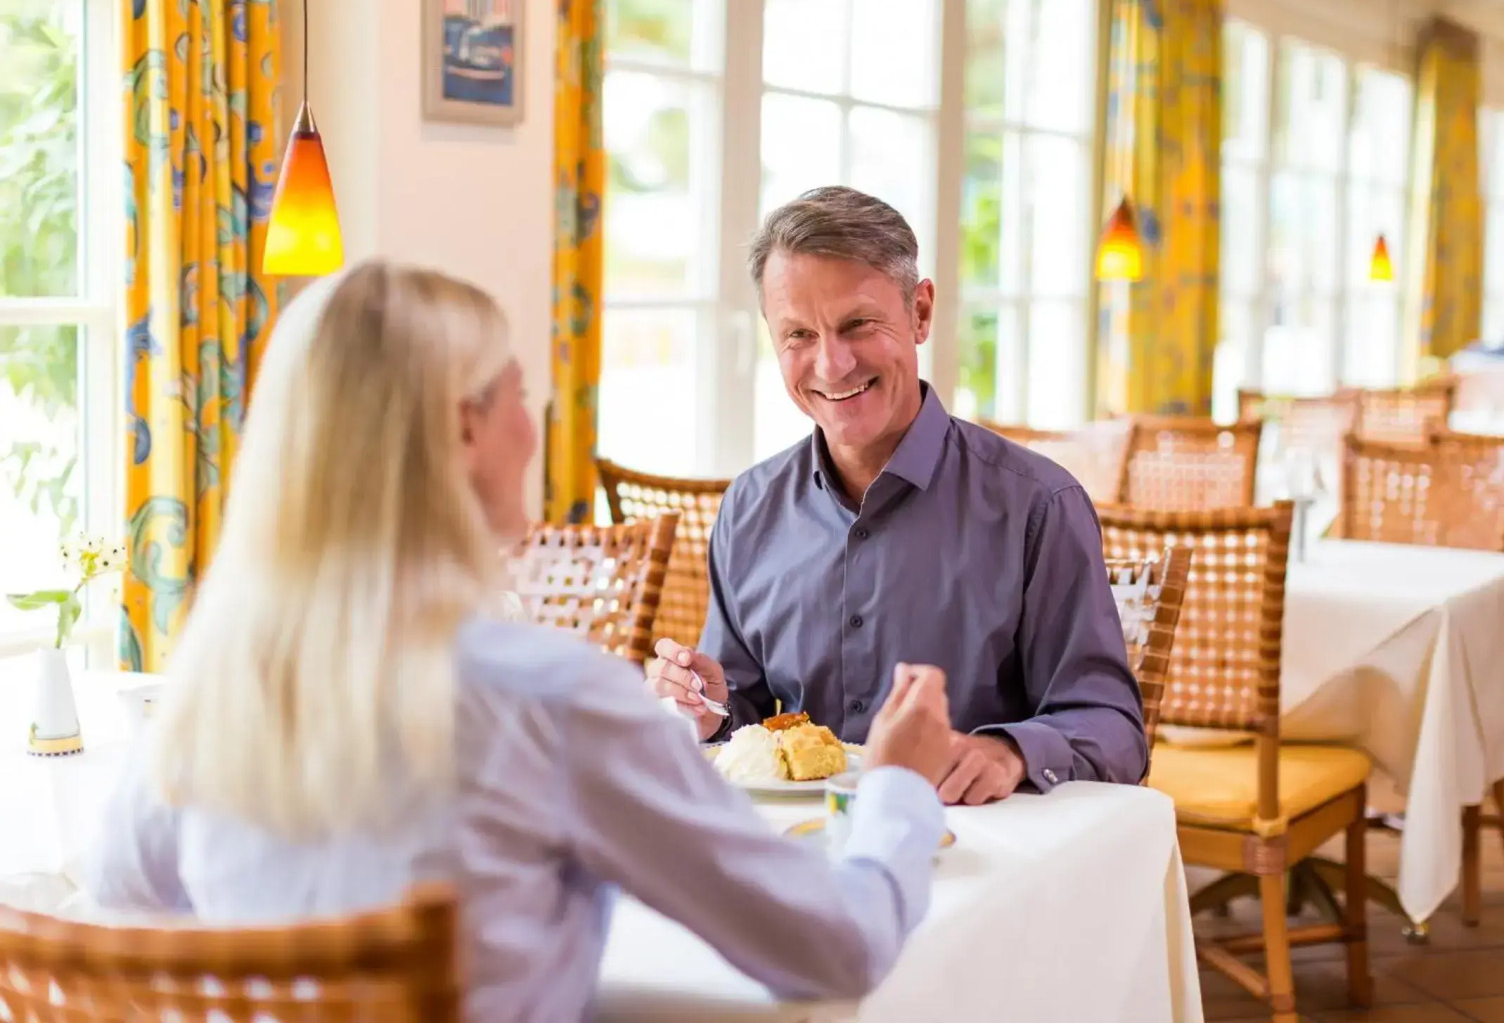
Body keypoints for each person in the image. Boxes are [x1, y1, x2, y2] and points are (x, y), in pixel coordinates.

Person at [84, 261, 956, 1022]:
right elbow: (838, 948)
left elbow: (120, 911)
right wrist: (896, 790)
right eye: (513, 391)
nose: (530, 427)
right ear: (465, 428)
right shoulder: (546, 697)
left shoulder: (208, 694)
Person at [646, 186, 1146, 806]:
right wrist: (710, 708)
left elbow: (1114, 728)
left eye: (858, 325)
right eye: (799, 334)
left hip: (980, 858)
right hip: (806, 861)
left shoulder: (1038, 505)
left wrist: (1008, 751)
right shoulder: (748, 508)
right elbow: (745, 716)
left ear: (920, 312)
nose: (831, 365)